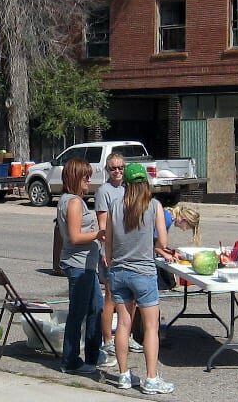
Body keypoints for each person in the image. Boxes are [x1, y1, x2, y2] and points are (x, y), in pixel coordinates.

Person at [103, 162, 173, 395]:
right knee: (151, 327)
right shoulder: (153, 206)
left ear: (126, 184)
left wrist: (113, 262)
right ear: (145, 183)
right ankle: (151, 378)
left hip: (119, 271)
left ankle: (123, 375)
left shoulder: (114, 205)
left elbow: (108, 244)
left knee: (124, 324)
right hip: (143, 271)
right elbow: (162, 243)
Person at [55, 158, 103, 376]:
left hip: (87, 265)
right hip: (78, 266)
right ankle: (70, 360)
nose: (89, 180)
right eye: (86, 176)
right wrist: (99, 234)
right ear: (75, 177)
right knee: (79, 313)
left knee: (96, 309)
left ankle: (93, 355)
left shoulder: (73, 200)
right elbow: (74, 237)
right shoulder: (73, 202)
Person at [92, 152, 136, 366]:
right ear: (107, 170)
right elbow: (103, 225)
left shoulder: (130, 188)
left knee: (132, 296)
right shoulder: (104, 192)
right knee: (111, 296)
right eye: (113, 168)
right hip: (112, 250)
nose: (117, 171)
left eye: (121, 167)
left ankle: (128, 336)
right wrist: (107, 252)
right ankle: (108, 339)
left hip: (130, 250)